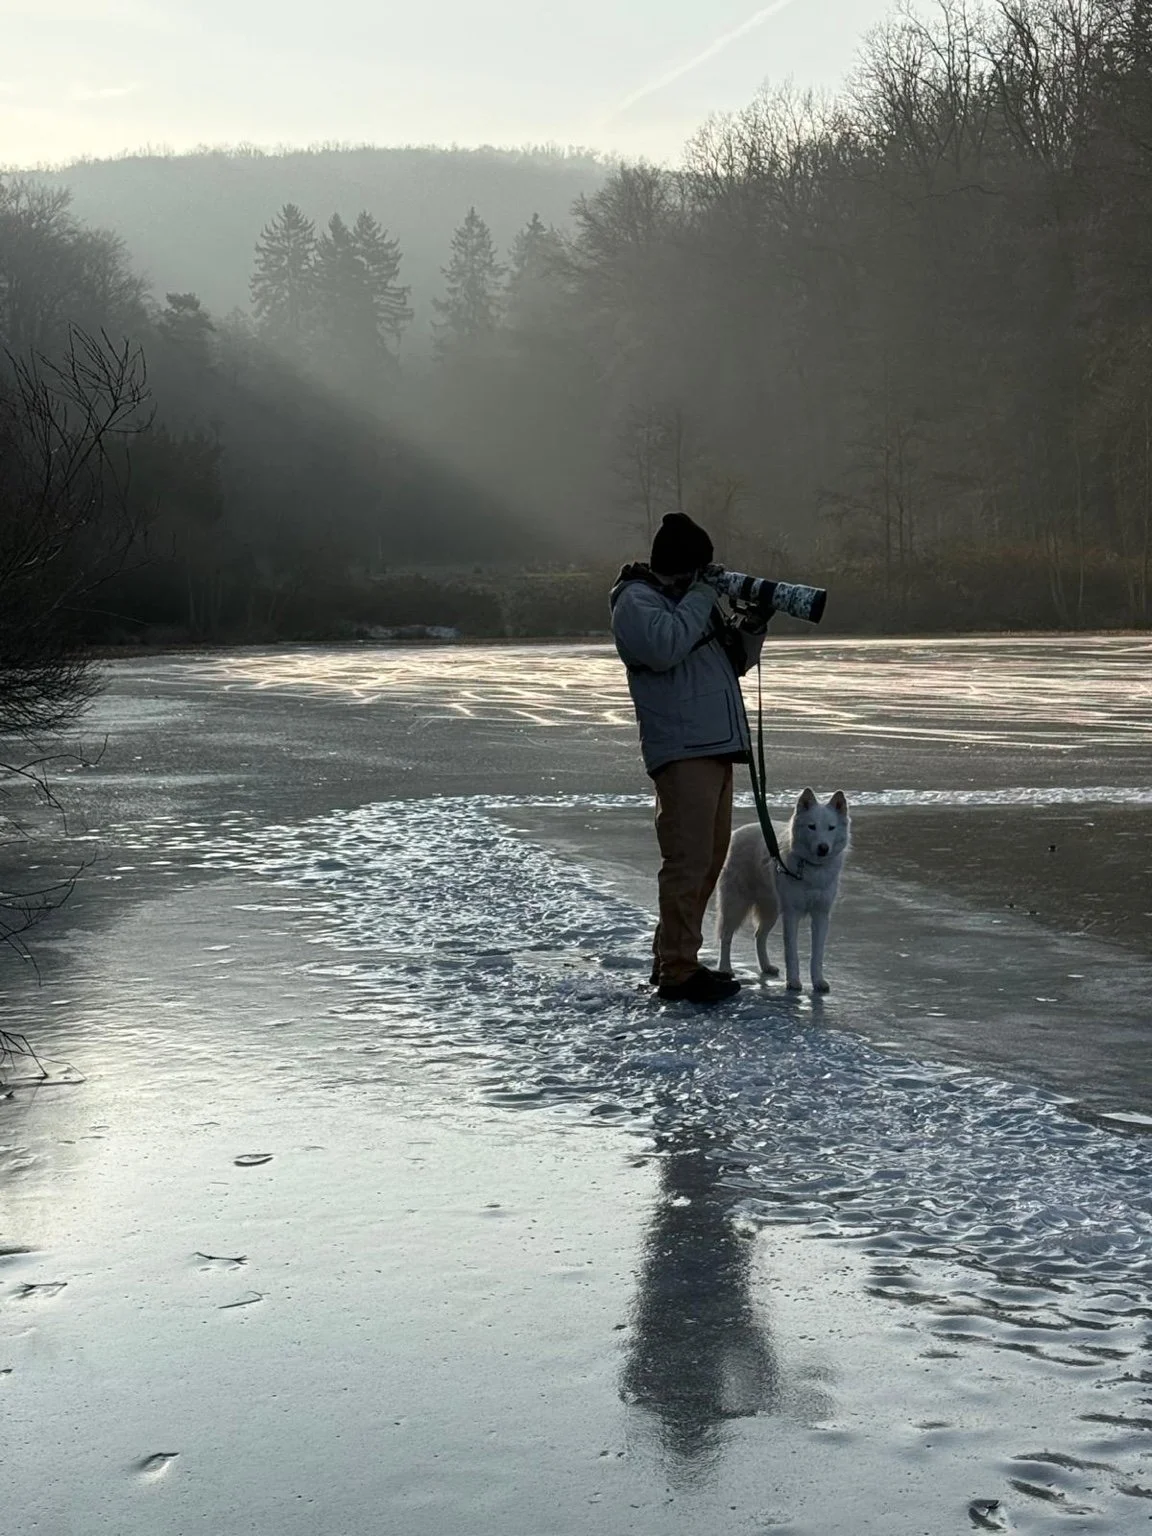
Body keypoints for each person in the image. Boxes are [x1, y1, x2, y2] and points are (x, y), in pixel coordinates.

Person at [610, 511, 767, 1004]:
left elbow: (736, 661)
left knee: (707, 861)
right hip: (681, 750)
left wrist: (753, 622)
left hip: (715, 745)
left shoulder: (687, 604)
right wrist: (702, 594)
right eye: (701, 568)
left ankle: (678, 958)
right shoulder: (636, 602)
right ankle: (678, 970)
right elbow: (663, 648)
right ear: (684, 565)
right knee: (687, 861)